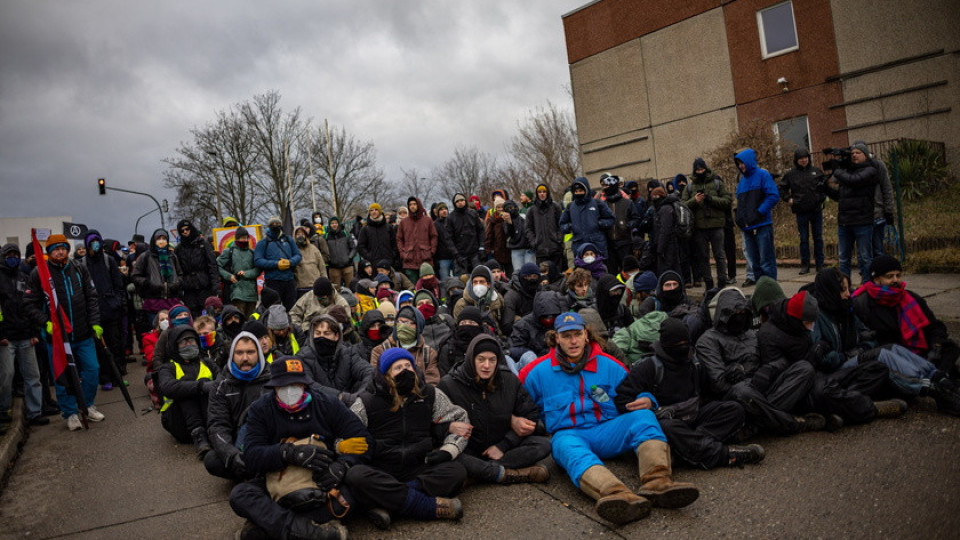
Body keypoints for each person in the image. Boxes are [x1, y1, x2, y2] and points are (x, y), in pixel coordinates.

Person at [519, 312, 698, 525]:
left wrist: (648, 399)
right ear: (556, 338)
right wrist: (514, 419)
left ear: (587, 335)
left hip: (609, 429)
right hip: (570, 435)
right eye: (566, 336)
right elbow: (512, 400)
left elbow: (634, 390)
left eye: (577, 334)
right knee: (563, 445)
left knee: (643, 417)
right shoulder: (536, 372)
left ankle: (658, 482)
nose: (573, 341)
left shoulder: (609, 364)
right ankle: (617, 495)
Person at [228, 357, 373, 540]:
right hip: (277, 482)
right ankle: (317, 533)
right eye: (283, 385)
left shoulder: (328, 404)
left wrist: (342, 466)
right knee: (240, 495)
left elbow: (364, 441)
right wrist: (287, 452)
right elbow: (251, 456)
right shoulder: (260, 409)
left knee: (352, 496)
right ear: (274, 387)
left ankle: (266, 527)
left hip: (322, 481)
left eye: (296, 384)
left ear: (305, 384)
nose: (290, 390)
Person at [615, 318, 762, 469]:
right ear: (666, 346)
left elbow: (708, 395)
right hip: (668, 423)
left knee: (734, 409)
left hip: (694, 418)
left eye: (686, 344)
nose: (683, 349)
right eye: (678, 346)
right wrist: (647, 401)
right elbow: (621, 399)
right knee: (668, 428)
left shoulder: (695, 364)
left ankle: (686, 450)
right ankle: (725, 454)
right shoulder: (648, 367)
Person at [346, 348, 468, 524]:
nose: (405, 371)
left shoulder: (429, 394)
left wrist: (448, 449)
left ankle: (387, 503)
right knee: (355, 476)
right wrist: (343, 446)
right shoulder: (367, 401)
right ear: (386, 374)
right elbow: (344, 433)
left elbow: (459, 418)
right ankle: (428, 506)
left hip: (418, 466)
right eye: (397, 368)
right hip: (382, 469)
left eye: (408, 365)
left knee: (456, 471)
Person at [438, 334, 551, 484]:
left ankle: (479, 472)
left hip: (501, 448)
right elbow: (432, 425)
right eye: (481, 359)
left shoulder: (509, 380)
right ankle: (504, 473)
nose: (487, 365)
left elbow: (531, 415)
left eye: (492, 360)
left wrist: (503, 445)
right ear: (471, 359)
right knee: (445, 455)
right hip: (467, 449)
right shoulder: (449, 384)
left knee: (543, 445)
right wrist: (449, 427)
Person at [23, 234, 105, 431]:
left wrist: (94, 323)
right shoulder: (39, 273)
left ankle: (87, 404)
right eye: (55, 249)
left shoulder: (78, 267)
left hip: (83, 333)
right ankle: (70, 413)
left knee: (92, 370)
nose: (60, 252)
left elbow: (91, 297)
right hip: (58, 338)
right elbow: (29, 304)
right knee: (63, 377)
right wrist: (46, 323)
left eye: (63, 248)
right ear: (49, 252)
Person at [852, 255, 959, 379]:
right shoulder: (863, 304)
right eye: (889, 276)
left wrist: (937, 346)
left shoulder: (911, 298)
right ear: (876, 279)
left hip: (920, 351)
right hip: (892, 355)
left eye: (898, 275)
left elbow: (934, 326)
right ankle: (934, 377)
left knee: (950, 348)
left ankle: (935, 375)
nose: (896, 280)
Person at [0, 243, 49, 429]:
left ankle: (34, 412)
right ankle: (3, 410)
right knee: (6, 376)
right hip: (6, 338)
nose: (12, 257)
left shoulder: (24, 277)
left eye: (15, 254)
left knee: (32, 376)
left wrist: (35, 332)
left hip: (27, 336)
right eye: (9, 254)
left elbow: (32, 306)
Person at [157, 324, 219, 455]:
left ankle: (214, 433)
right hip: (179, 422)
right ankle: (199, 435)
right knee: (187, 388)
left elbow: (223, 380)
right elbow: (167, 387)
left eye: (191, 341)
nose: (188, 344)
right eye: (183, 342)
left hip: (210, 418)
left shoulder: (207, 362)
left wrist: (206, 386)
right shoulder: (168, 368)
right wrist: (200, 387)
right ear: (175, 345)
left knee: (206, 384)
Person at [822, 142, 879, 284]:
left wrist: (837, 171)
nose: (854, 155)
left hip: (862, 221)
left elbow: (854, 181)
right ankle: (844, 286)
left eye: (858, 152)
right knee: (843, 258)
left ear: (865, 155)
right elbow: (840, 197)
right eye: (852, 153)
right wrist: (825, 188)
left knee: (865, 257)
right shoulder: (846, 172)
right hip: (845, 222)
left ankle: (867, 285)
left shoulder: (870, 170)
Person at [80, 230, 128, 388]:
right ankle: (105, 378)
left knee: (115, 344)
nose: (95, 244)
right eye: (92, 241)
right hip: (93, 313)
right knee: (99, 348)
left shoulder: (109, 261)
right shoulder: (82, 264)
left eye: (97, 240)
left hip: (111, 310)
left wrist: (117, 302)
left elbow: (119, 285)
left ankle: (118, 376)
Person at [297, 314, 373, 398]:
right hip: (318, 406)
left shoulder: (348, 353)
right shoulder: (303, 357)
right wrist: (340, 397)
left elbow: (369, 372)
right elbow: (310, 385)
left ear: (336, 336)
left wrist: (359, 396)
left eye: (327, 333)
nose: (321, 337)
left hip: (350, 404)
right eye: (318, 333)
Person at [682, 158, 731, 288]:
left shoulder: (717, 183)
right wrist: (695, 200)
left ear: (706, 168)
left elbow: (727, 201)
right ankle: (709, 284)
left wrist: (711, 199)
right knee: (703, 257)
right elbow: (682, 206)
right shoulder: (690, 187)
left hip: (717, 226)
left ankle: (722, 282)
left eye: (702, 169)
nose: (700, 171)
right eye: (697, 170)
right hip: (699, 227)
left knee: (719, 255)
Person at [734, 148, 780, 280]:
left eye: (742, 162)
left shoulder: (763, 175)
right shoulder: (742, 181)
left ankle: (772, 292)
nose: (741, 166)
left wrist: (759, 212)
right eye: (738, 164)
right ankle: (762, 292)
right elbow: (741, 203)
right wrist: (739, 218)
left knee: (766, 261)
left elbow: (773, 196)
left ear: (748, 161)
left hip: (762, 225)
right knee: (755, 264)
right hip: (747, 228)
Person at [779, 149, 826, 274]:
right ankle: (805, 265)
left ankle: (820, 264)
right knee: (804, 239)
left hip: (816, 210)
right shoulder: (791, 174)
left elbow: (824, 187)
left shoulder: (816, 171)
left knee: (818, 238)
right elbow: (782, 188)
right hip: (801, 211)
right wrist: (788, 199)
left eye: (805, 158)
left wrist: (821, 198)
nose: (804, 160)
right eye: (801, 158)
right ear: (796, 160)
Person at [369, 305, 441, 386]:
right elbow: (377, 381)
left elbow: (432, 382)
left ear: (418, 327)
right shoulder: (380, 351)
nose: (402, 326)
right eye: (399, 322)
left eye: (407, 323)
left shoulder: (429, 353)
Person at [506, 290, 567, 374]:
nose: (549, 320)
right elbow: (514, 349)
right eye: (545, 317)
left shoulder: (562, 323)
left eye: (552, 317)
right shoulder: (523, 325)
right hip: (533, 364)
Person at [132, 229, 183, 324]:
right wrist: (149, 283)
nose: (161, 241)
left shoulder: (172, 257)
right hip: (153, 301)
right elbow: (135, 276)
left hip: (172, 300)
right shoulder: (145, 257)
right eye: (159, 238)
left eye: (164, 238)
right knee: (157, 331)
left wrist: (177, 283)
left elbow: (180, 273)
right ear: (154, 240)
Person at [560, 177, 615, 260]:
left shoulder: (597, 203)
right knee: (582, 272)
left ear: (586, 190)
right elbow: (562, 224)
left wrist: (599, 223)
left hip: (597, 245)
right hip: (579, 246)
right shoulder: (570, 207)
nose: (578, 193)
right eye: (576, 191)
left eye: (581, 191)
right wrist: (570, 226)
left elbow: (611, 218)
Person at [254, 216, 302, 311]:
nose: (275, 226)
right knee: (273, 308)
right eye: (273, 224)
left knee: (292, 309)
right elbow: (258, 260)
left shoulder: (289, 240)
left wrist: (290, 262)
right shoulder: (263, 242)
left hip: (289, 280)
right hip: (273, 281)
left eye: (277, 224)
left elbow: (298, 255)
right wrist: (276, 264)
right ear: (269, 226)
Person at [174, 220, 219, 317]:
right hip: (189, 288)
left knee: (208, 315)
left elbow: (212, 265)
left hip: (205, 286)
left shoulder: (203, 244)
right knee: (193, 316)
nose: (185, 232)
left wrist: (215, 285)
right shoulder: (179, 249)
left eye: (187, 229)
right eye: (182, 231)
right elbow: (178, 270)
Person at [216, 227, 259, 318]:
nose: (245, 240)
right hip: (236, 293)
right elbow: (216, 266)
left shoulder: (252, 253)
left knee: (251, 320)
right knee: (239, 319)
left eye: (246, 238)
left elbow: (258, 270)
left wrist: (246, 273)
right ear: (237, 238)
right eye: (242, 238)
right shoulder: (229, 251)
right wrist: (228, 276)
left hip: (252, 294)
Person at [396, 197, 437, 285]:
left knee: (428, 285)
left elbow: (434, 236)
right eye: (410, 204)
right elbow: (399, 239)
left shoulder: (427, 220)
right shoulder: (404, 222)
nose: (412, 206)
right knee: (413, 287)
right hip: (409, 260)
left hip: (425, 258)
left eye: (414, 204)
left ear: (419, 205)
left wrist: (432, 251)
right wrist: (402, 253)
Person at [453, 265, 504, 333]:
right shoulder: (462, 304)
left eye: (482, 282)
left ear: (489, 284)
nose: (478, 285)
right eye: (475, 282)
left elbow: (503, 322)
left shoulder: (497, 299)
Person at [525, 183, 564, 270]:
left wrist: (558, 239)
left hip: (555, 249)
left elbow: (561, 224)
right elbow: (528, 228)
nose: (542, 194)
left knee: (557, 275)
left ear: (547, 193)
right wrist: (534, 242)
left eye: (544, 191)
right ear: (537, 194)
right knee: (543, 276)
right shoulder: (532, 210)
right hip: (540, 250)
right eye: (539, 192)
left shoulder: (555, 207)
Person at [447, 193, 487, 276]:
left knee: (479, 276)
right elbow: (449, 238)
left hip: (475, 253)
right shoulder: (451, 218)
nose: (460, 202)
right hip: (460, 255)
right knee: (462, 280)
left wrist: (482, 247)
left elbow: (481, 231)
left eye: (462, 200)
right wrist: (456, 255)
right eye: (457, 201)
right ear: (454, 203)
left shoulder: (473, 214)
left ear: (465, 201)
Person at [647, 186, 681, 276]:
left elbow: (665, 230)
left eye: (655, 196)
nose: (653, 199)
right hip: (667, 244)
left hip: (668, 245)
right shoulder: (661, 208)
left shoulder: (665, 209)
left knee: (667, 270)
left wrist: (660, 248)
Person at [501, 262, 541, 336]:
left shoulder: (541, 291)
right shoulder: (512, 295)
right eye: (528, 276)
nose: (532, 279)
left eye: (535, 276)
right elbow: (507, 326)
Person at [357, 203, 399, 271]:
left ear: (380, 211)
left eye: (376, 209)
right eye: (371, 210)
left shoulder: (388, 227)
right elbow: (361, 246)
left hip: (388, 262)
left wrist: (392, 256)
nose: (374, 211)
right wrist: (369, 256)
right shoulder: (365, 229)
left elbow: (394, 244)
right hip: (373, 264)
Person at [292, 225, 327, 296]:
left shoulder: (314, 249)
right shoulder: (292, 250)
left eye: (302, 234)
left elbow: (322, 267)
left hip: (315, 286)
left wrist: (325, 282)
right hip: (300, 287)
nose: (300, 236)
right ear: (294, 236)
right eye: (298, 234)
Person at [324, 217, 356, 288]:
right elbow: (324, 251)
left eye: (336, 223)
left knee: (351, 288)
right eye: (332, 223)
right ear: (329, 225)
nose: (334, 225)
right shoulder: (326, 236)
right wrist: (329, 261)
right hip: (333, 268)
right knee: (335, 290)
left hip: (347, 266)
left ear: (338, 224)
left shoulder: (345, 233)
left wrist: (349, 258)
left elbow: (353, 247)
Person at [503, 199, 534, 272]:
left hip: (528, 248)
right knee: (518, 272)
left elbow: (530, 230)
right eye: (507, 209)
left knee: (530, 270)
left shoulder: (523, 216)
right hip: (516, 249)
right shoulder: (505, 222)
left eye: (511, 207)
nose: (510, 210)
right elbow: (510, 235)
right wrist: (509, 223)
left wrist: (533, 242)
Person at [484, 198, 513, 276]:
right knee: (497, 275)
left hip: (509, 251)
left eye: (502, 207)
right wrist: (488, 250)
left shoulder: (510, 217)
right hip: (497, 252)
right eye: (498, 207)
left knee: (510, 274)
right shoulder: (492, 220)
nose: (500, 209)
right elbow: (488, 235)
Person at [432, 203, 459, 281]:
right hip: (442, 258)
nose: (444, 211)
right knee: (444, 281)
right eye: (441, 209)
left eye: (445, 209)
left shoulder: (453, 222)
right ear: (438, 212)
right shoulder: (435, 225)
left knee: (457, 280)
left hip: (455, 256)